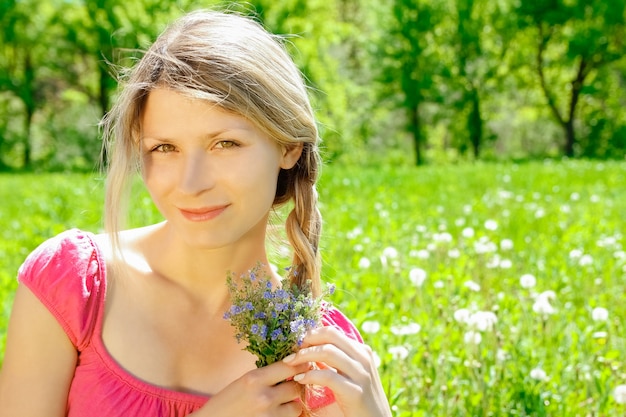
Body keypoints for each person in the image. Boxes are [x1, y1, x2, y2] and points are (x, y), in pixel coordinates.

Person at [0, 9, 392, 417]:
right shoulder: (72, 284)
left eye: (224, 144)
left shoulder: (323, 357)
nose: (191, 184)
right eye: (164, 148)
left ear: (288, 146)